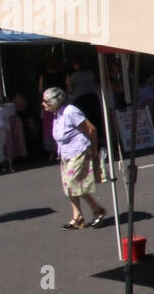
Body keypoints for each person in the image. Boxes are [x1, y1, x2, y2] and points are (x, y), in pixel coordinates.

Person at [43, 86, 107, 229]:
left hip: (79, 151)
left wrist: (94, 151)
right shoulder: (57, 114)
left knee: (73, 183)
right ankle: (77, 217)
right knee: (68, 186)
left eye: (46, 101)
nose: (43, 104)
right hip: (66, 153)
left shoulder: (71, 111)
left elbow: (91, 129)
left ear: (55, 101)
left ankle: (98, 210)